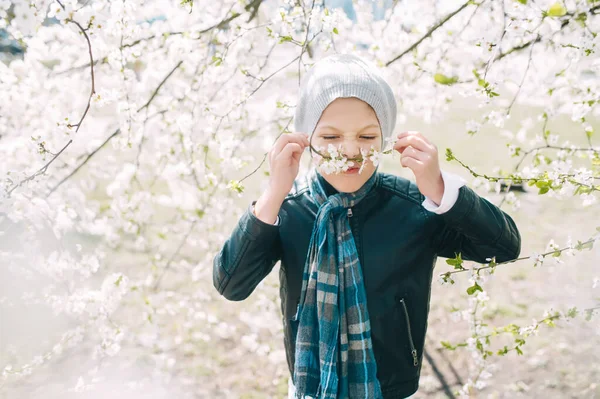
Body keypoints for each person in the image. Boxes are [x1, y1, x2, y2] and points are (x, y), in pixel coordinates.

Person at [213, 53, 521, 399]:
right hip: (310, 387)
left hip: (389, 388)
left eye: (366, 137)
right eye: (330, 137)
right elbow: (231, 284)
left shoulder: (413, 206)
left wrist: (439, 188)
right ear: (307, 139)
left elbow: (504, 247)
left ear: (385, 139)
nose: (350, 150)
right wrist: (273, 194)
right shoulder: (289, 210)